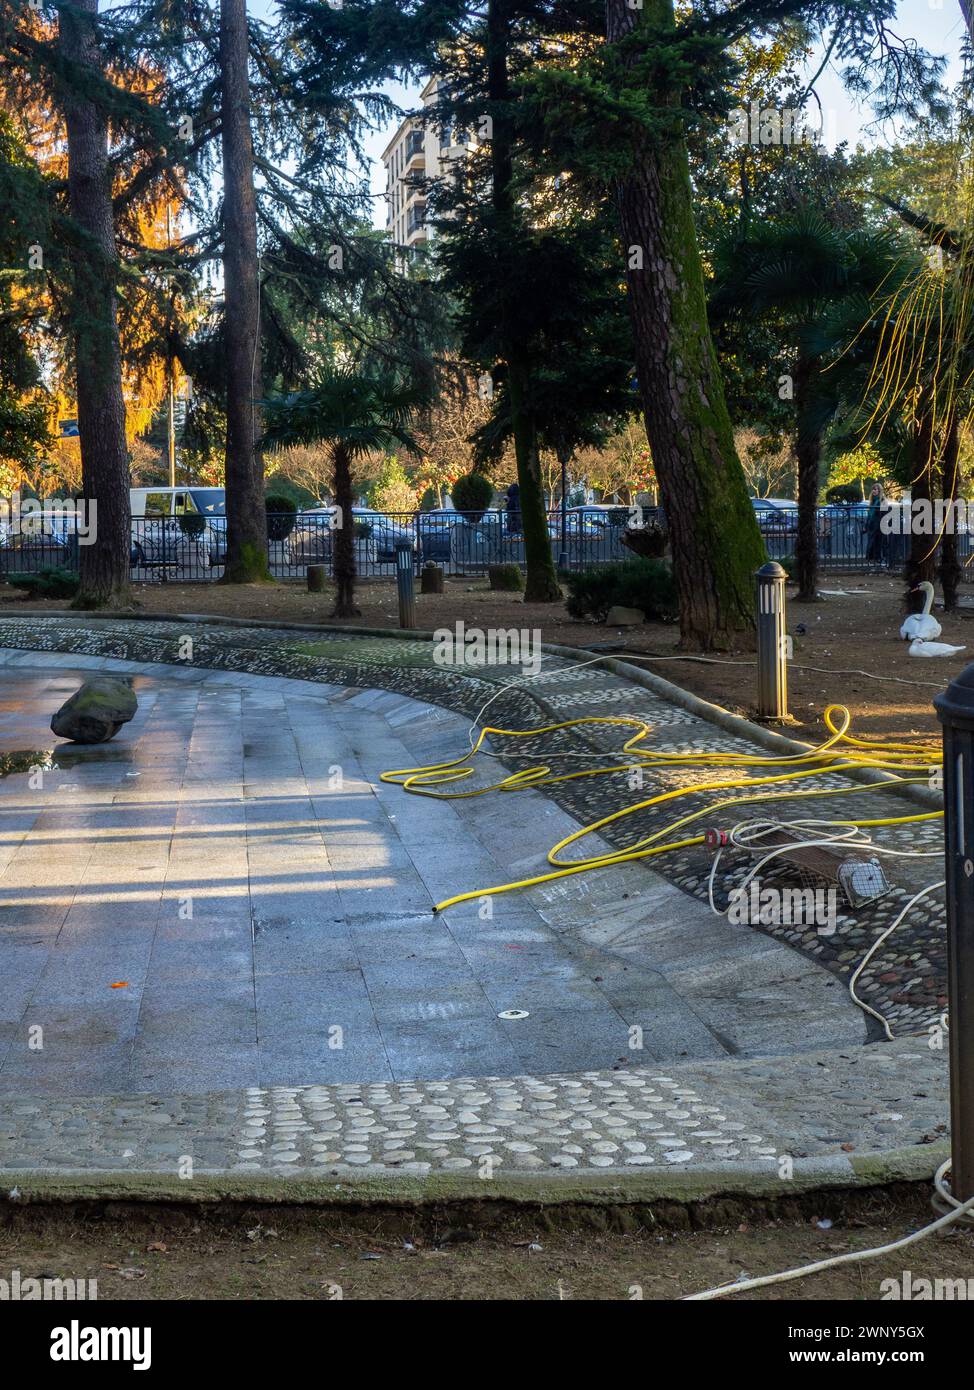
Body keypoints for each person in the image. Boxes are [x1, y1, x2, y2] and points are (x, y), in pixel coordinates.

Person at [864, 482, 888, 570]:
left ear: (879, 490)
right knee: (871, 542)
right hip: (872, 524)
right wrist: (866, 524)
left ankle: (879, 559)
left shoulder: (882, 500)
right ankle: (872, 559)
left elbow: (884, 512)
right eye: (873, 489)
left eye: (875, 489)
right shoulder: (872, 500)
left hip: (879, 524)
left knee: (879, 542)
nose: (873, 491)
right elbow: (869, 514)